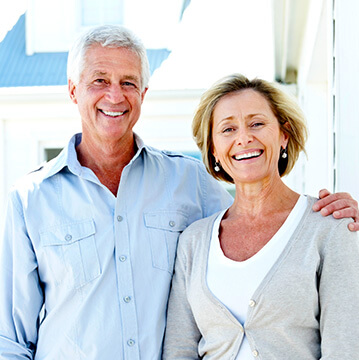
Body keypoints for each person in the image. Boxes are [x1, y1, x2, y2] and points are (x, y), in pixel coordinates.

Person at [0, 26, 357, 360]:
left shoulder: (191, 182)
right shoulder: (29, 200)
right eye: (99, 81)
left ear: (143, 93)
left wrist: (339, 214)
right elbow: (10, 339)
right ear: (73, 90)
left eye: (128, 82)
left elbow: (264, 223)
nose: (115, 95)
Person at [162, 74, 359, 359]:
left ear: (283, 135)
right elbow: (179, 350)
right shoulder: (193, 241)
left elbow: (345, 349)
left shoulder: (329, 228)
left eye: (257, 123)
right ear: (214, 149)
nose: (244, 138)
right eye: (228, 129)